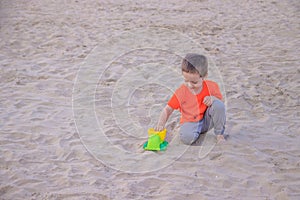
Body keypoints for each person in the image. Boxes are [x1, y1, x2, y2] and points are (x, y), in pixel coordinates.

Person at [155, 53, 226, 144]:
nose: (189, 85)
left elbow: (221, 103)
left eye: (194, 82)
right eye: (186, 81)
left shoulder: (211, 86)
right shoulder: (182, 91)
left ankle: (219, 135)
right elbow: (168, 109)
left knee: (218, 104)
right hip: (190, 121)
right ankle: (187, 129)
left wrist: (213, 98)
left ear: (204, 76)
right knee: (187, 139)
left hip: (207, 121)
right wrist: (161, 124)